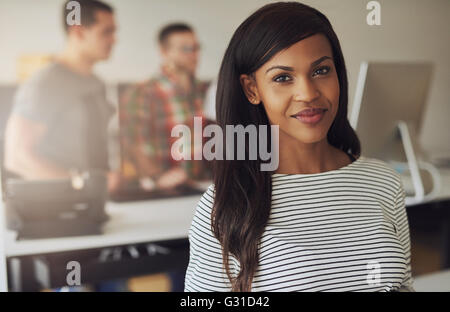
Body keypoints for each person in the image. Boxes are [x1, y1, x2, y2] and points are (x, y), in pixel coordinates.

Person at [184, 2, 414, 292]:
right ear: (252, 89)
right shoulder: (225, 205)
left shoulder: (384, 181)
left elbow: (404, 285)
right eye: (282, 78)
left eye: (321, 71)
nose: (308, 93)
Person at [4, 0, 117, 189]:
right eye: (107, 32)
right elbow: (18, 158)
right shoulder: (45, 84)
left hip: (95, 201)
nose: (114, 39)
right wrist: (80, 184)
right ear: (78, 32)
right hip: (55, 207)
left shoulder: (97, 83)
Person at [119, 23, 211, 193]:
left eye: (196, 48)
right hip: (164, 191)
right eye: (186, 49)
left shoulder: (204, 90)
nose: (194, 55)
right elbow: (132, 144)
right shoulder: (143, 92)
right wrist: (157, 177)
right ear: (164, 51)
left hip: (202, 189)